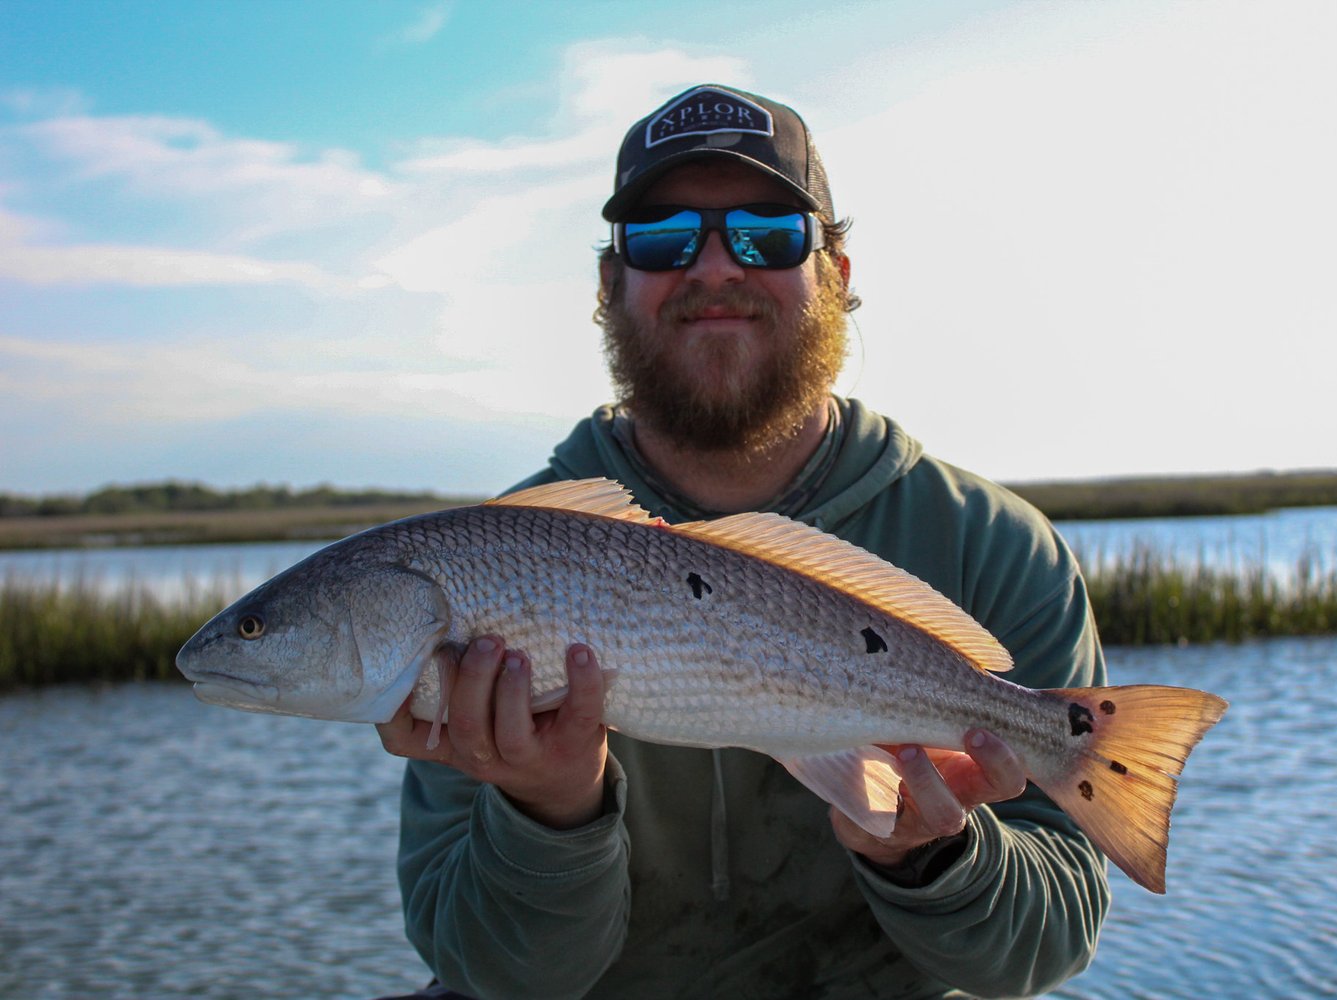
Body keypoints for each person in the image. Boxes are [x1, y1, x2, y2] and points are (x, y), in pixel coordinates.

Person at [374, 84, 1110, 999]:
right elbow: (485, 969)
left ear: (836, 276)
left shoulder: (996, 547)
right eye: (661, 237)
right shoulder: (496, 558)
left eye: (767, 232)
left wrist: (933, 856)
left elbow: (1046, 948)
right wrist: (547, 811)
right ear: (611, 286)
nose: (714, 266)